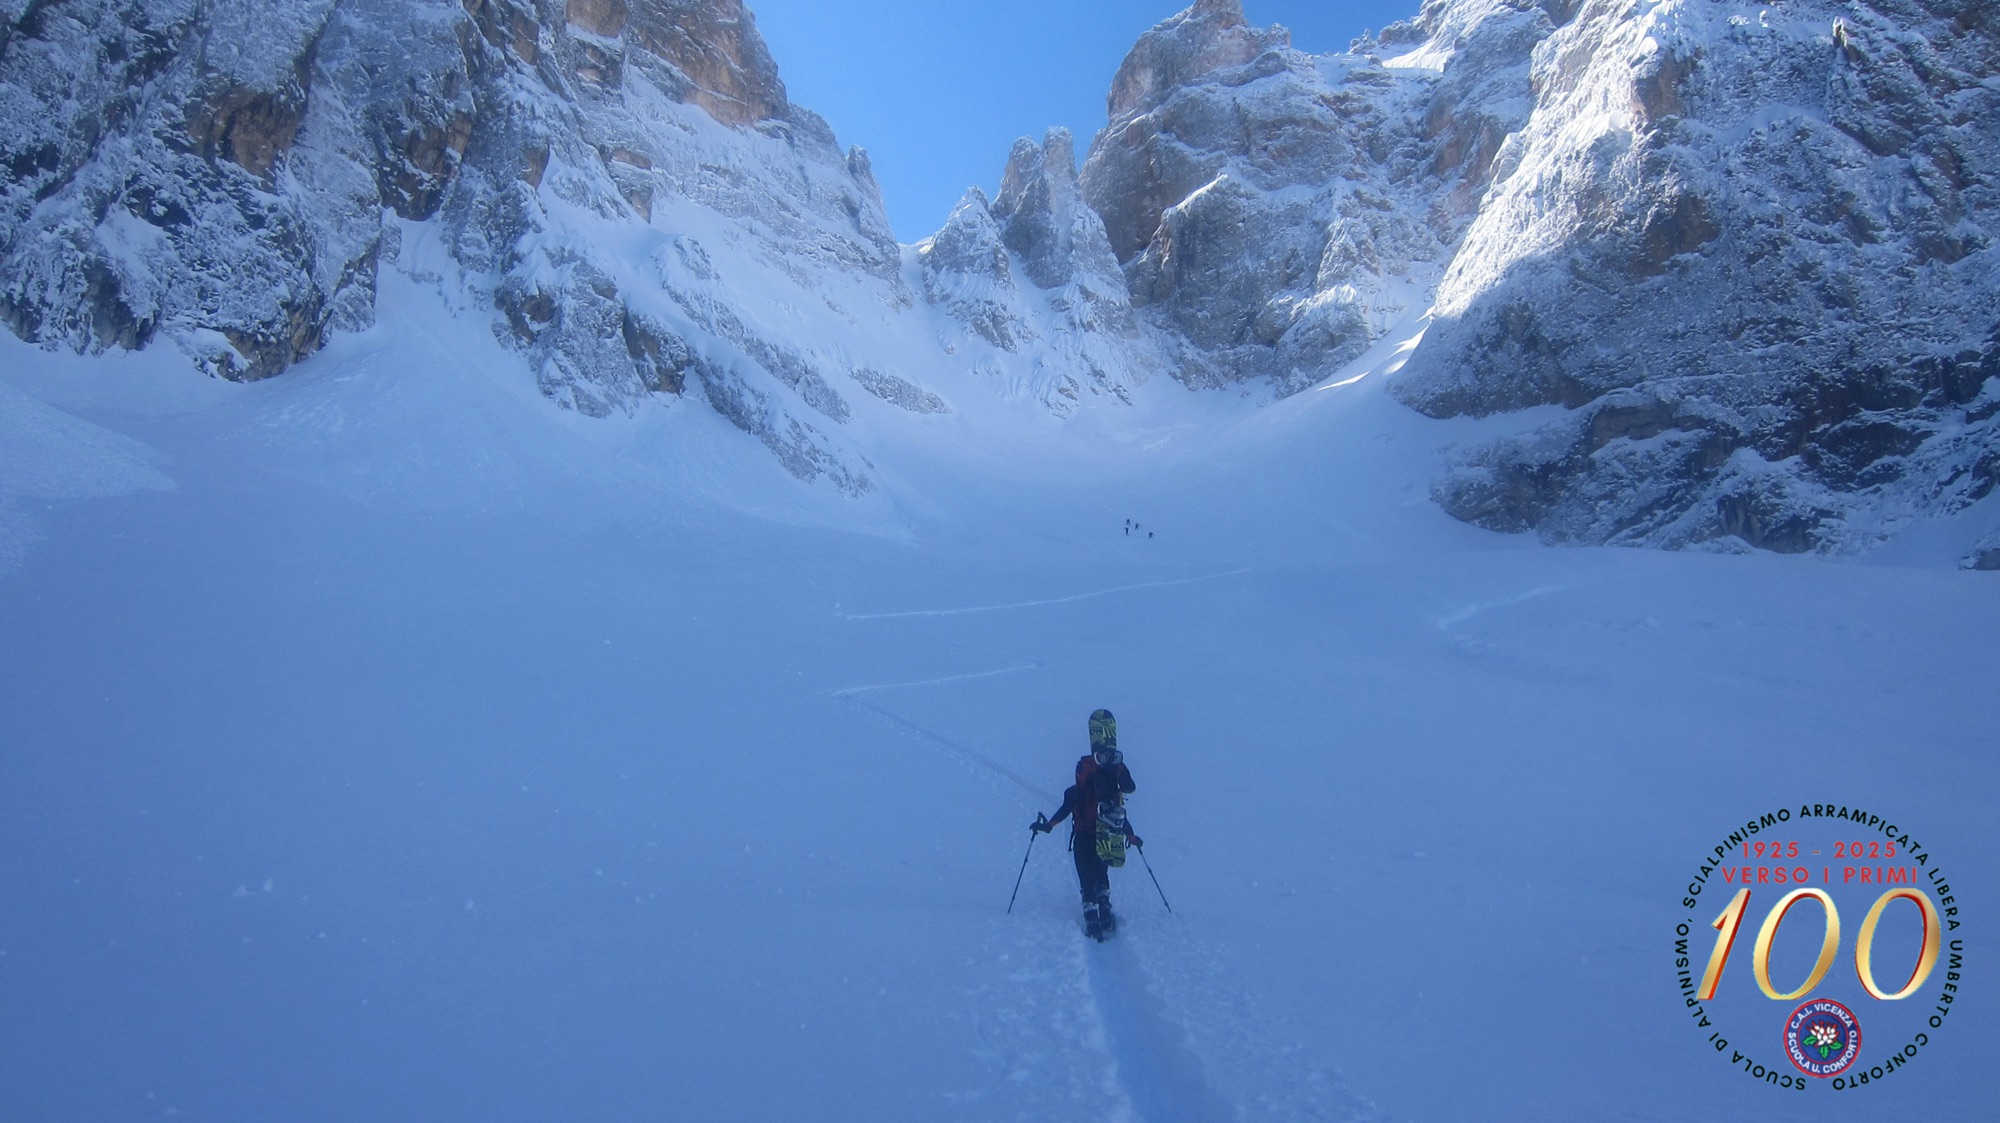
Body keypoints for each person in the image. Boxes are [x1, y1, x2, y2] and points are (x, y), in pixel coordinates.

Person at [1031, 708, 1140, 938]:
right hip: (1107, 832)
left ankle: (1092, 913)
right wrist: (1130, 835)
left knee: (1085, 874)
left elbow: (1065, 810)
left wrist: (1047, 826)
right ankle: (1104, 908)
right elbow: (1122, 809)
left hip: (1083, 835)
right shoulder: (1111, 794)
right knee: (1101, 871)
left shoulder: (1074, 793)